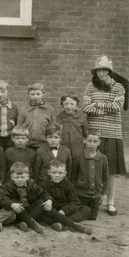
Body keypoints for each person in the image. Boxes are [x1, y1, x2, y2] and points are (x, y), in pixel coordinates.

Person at [82, 55, 128, 216]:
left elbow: (117, 106)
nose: (101, 73)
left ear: (109, 71)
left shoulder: (118, 87)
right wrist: (104, 108)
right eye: (99, 70)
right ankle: (97, 197)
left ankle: (111, 201)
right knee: (93, 166)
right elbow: (86, 107)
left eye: (105, 70)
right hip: (95, 132)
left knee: (111, 170)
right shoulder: (90, 86)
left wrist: (98, 105)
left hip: (113, 132)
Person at [1, 162, 92, 234]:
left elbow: (43, 193)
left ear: (28, 176)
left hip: (31, 212)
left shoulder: (31, 184)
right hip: (18, 213)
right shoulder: (8, 186)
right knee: (14, 201)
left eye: (22, 177)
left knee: (42, 202)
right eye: (17, 177)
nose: (20, 180)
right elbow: (3, 199)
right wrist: (12, 204)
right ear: (12, 177)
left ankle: (74, 225)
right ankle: (32, 224)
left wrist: (49, 200)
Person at [71, 129, 109, 220]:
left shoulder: (103, 158)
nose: (92, 144)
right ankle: (70, 219)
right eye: (89, 141)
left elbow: (106, 178)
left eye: (95, 141)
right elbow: (73, 176)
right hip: (81, 194)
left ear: (99, 142)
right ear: (84, 140)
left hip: (95, 195)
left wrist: (104, 194)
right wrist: (73, 193)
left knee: (92, 217)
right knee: (81, 213)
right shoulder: (78, 156)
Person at [40, 160, 91, 224]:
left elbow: (75, 201)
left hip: (64, 210)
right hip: (52, 210)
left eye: (60, 173)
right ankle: (64, 222)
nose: (57, 175)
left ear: (65, 173)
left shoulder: (68, 185)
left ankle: (64, 221)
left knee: (86, 210)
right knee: (42, 211)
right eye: (54, 172)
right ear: (48, 172)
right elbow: (40, 199)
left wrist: (64, 210)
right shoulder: (43, 185)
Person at [17, 82, 55, 151]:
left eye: (38, 94)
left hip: (44, 145)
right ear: (28, 94)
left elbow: (53, 128)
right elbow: (19, 127)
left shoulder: (50, 110)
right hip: (27, 145)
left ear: (43, 93)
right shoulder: (23, 109)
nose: (35, 97)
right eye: (32, 94)